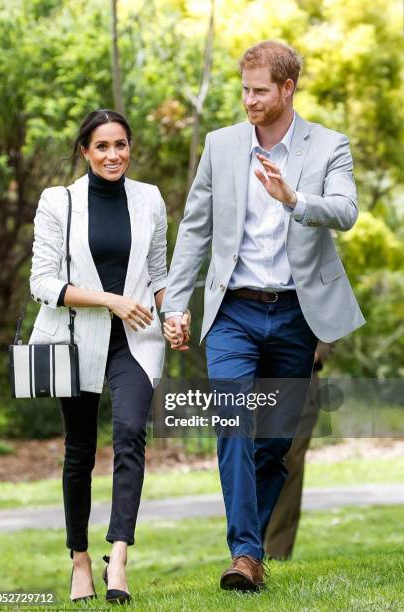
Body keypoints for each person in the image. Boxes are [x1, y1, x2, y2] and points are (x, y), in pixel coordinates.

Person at [162, 40, 364, 591]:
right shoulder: (221, 146)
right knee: (233, 423)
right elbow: (197, 228)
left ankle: (250, 551)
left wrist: (294, 198)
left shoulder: (328, 146)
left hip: (298, 315)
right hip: (233, 312)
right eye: (244, 89)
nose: (248, 99)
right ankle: (245, 555)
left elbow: (345, 211)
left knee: (274, 446)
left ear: (287, 89)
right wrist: (175, 302)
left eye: (258, 90)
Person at [29, 109, 187, 604]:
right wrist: (111, 300)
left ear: (130, 147)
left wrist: (173, 314)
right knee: (79, 452)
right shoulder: (59, 202)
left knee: (129, 435)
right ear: (85, 151)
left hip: (135, 341)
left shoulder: (150, 199)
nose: (113, 155)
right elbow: (43, 283)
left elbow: (159, 275)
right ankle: (79, 560)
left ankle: (117, 558)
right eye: (102, 146)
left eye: (121, 145)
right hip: (76, 340)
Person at [264, 341, 333, 560]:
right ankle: (247, 550)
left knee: (289, 462)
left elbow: (336, 309)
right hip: (254, 378)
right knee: (253, 459)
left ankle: (276, 553)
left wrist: (319, 349)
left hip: (301, 378)